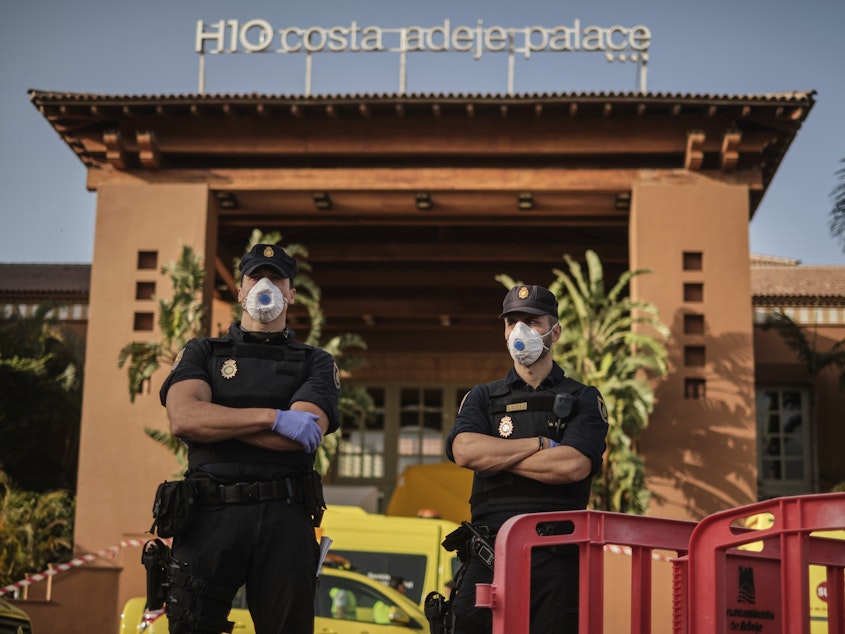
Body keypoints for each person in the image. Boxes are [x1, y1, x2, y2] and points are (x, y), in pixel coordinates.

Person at [157, 243, 341, 634]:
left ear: (291, 294)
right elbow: (185, 418)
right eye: (255, 277)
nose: (264, 286)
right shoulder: (203, 352)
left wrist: (218, 425)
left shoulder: (315, 361)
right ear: (239, 291)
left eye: (276, 279)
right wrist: (273, 417)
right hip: (208, 514)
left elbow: (301, 437)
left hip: (284, 516)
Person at [444, 284, 608, 634]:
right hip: (490, 554)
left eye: (532, 321)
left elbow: (573, 465)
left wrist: (495, 457)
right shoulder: (483, 397)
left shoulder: (582, 398)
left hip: (557, 560)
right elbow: (465, 451)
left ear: (555, 331)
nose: (519, 331)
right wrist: (541, 443)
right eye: (512, 321)